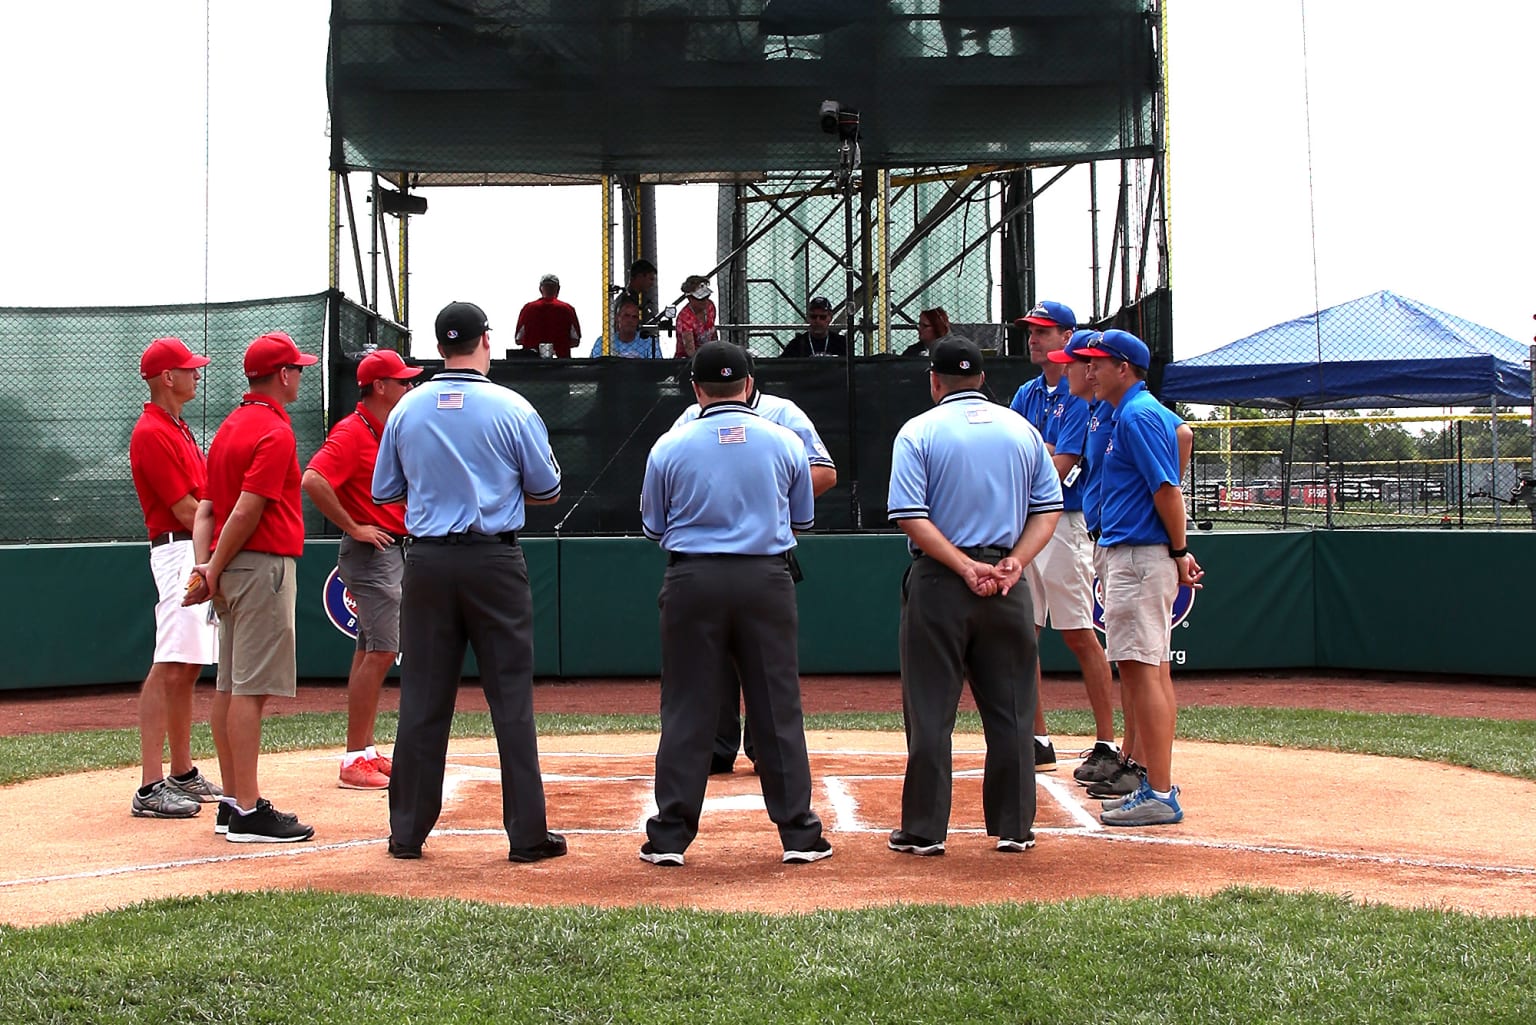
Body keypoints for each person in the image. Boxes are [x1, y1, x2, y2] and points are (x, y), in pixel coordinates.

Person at [373, 301, 567, 863]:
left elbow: (386, 492)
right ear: (487, 339)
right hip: (494, 562)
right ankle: (527, 835)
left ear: (439, 347)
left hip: (428, 562)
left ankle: (406, 833)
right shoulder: (512, 406)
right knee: (511, 701)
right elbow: (547, 488)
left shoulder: (407, 409)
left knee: (423, 699)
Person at [638, 341, 831, 867]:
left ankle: (670, 837)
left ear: (696, 389)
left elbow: (654, 526)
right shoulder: (784, 438)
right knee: (777, 706)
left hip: (692, 579)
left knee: (687, 705)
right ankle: (799, 834)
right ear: (749, 385)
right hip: (766, 578)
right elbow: (803, 519)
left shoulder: (669, 444)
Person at [886, 336, 1062, 856]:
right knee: (1012, 709)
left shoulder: (918, 430)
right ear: (983, 379)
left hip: (942, 580)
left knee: (930, 710)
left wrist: (964, 566)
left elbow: (909, 516)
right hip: (1007, 582)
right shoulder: (1022, 428)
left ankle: (923, 830)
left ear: (934, 381)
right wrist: (1015, 563)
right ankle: (1015, 826)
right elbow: (1048, 508)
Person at [670, 346, 838, 774]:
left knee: (763, 660)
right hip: (709, 554)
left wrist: (769, 503)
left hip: (762, 552)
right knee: (716, 660)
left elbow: (824, 471)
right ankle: (717, 745)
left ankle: (766, 747)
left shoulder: (782, 414)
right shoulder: (691, 419)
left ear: (750, 381)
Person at [186, 330, 318, 843]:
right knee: (250, 691)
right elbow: (245, 509)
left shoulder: (228, 427)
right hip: (259, 567)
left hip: (231, 568)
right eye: (298, 369)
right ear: (282, 375)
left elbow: (206, 509)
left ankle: (232, 802)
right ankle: (246, 808)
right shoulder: (274, 430)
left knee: (229, 686)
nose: (301, 375)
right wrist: (213, 567)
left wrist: (207, 567)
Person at [1077, 329, 1204, 827]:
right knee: (1147, 669)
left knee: (1141, 670)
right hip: (1132, 553)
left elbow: (1167, 490)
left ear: (1123, 368)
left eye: (1099, 363)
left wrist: (1178, 550)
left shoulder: (1136, 413)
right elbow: (1180, 443)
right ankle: (1155, 784)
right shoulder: (1130, 411)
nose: (1090, 371)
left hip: (1137, 555)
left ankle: (1158, 791)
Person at [301, 348, 423, 790]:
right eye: (402, 381)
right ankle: (354, 757)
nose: (409, 387)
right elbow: (312, 479)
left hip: (388, 551)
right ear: (379, 386)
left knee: (370, 648)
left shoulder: (384, 429)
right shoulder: (353, 432)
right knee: (381, 651)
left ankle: (365, 750)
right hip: (371, 554)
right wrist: (354, 525)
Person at [1008, 303, 1118, 780]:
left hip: (1066, 524)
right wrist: (1043, 455)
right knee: (1022, 633)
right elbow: (1007, 453)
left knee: (1077, 634)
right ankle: (1036, 738)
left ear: (1068, 337)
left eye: (1043, 331)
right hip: (1025, 523)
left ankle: (1106, 741)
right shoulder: (1027, 392)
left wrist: (1044, 454)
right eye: (1031, 331)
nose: (1033, 339)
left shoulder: (1081, 394)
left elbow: (1060, 467)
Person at [127, 336, 222, 819]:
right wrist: (223, 544)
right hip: (177, 549)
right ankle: (148, 787)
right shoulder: (151, 431)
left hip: (191, 547)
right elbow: (186, 509)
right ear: (168, 377)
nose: (196, 375)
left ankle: (181, 771)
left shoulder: (176, 426)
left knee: (187, 665)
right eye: (188, 369)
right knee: (169, 662)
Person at [514, 273, 581, 358]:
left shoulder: (528, 309)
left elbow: (518, 339)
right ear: (558, 289)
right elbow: (575, 340)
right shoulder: (567, 309)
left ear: (540, 289)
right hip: (561, 363)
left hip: (532, 363)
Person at [779, 296, 848, 357]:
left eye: (822, 317)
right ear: (808, 318)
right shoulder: (797, 344)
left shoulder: (840, 343)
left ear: (830, 318)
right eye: (813, 317)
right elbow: (780, 367)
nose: (817, 321)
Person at [595, 297, 661, 358]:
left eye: (634, 317)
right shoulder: (604, 342)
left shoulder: (649, 342)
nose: (630, 320)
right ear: (617, 318)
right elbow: (595, 367)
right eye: (626, 315)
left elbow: (657, 367)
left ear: (638, 321)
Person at [674, 275, 718, 357]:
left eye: (707, 297)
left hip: (708, 354)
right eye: (701, 299)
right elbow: (690, 350)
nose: (705, 301)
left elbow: (713, 333)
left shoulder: (710, 306)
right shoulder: (685, 318)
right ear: (689, 298)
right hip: (687, 360)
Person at [614, 258, 657, 324]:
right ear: (640, 276)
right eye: (651, 279)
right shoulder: (628, 301)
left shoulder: (626, 297)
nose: (652, 284)